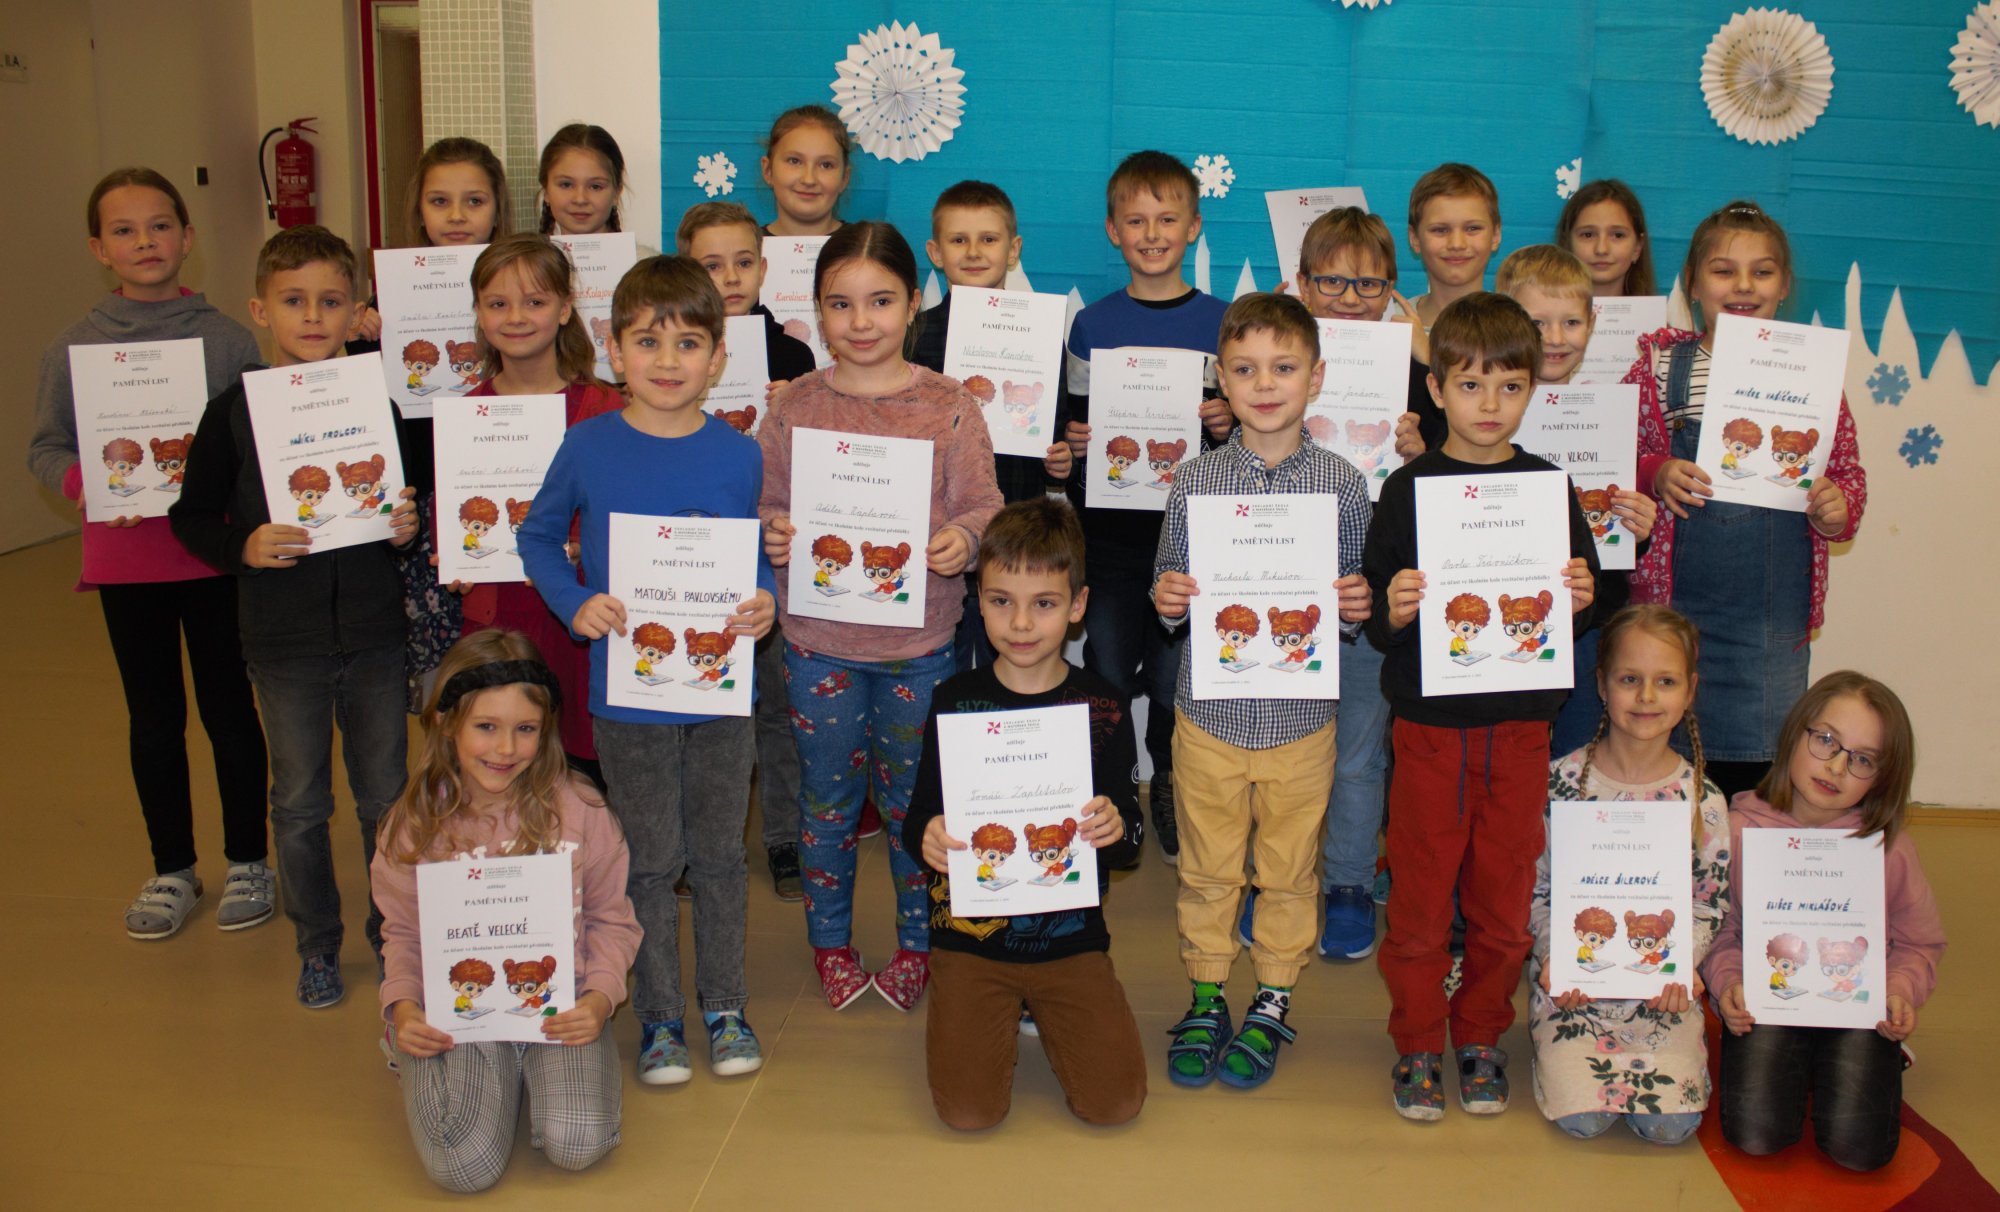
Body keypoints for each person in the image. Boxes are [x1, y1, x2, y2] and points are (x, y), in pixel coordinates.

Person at [518, 255, 777, 1085]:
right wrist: (575, 601)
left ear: (719, 357)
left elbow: (752, 559)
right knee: (652, 859)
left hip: (721, 697)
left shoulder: (739, 455)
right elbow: (536, 536)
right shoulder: (588, 446)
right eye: (648, 341)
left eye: (689, 343)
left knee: (721, 857)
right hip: (627, 700)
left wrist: (765, 602)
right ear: (613, 349)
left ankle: (725, 1006)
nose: (669, 361)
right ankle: (661, 1016)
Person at [169, 225, 420, 1008]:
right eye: (294, 301)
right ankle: (317, 943)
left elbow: (405, 507)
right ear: (260, 311)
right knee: (301, 804)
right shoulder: (231, 414)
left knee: (385, 800)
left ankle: (396, 939)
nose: (313, 317)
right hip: (284, 643)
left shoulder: (377, 407)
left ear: (356, 312)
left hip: (375, 635)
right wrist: (242, 545)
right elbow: (191, 516)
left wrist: (407, 527)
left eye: (331, 301)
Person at [758, 221, 1004, 1012]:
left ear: (912, 302)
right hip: (817, 644)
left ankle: (917, 945)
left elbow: (984, 506)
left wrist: (964, 540)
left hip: (920, 646)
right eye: (840, 304)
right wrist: (773, 530)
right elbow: (763, 501)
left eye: (881, 301)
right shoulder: (795, 406)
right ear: (817, 310)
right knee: (827, 805)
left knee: (913, 809)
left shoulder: (950, 405)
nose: (861, 321)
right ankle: (830, 943)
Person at [1364, 292, 1599, 1119]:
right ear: (1436, 389)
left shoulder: (1547, 487)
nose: (1489, 404)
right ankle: (1417, 1041)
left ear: (1532, 388)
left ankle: (1480, 1035)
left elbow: (1581, 606)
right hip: (1431, 730)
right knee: (1422, 899)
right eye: (1470, 385)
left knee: (1503, 899)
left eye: (1509, 386)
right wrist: (1396, 607)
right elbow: (1379, 622)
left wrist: (1580, 597)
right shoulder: (1405, 490)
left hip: (1521, 728)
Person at [26, 167, 271, 941]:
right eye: (124, 230)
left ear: (187, 236)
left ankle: (248, 860)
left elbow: (257, 440)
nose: (145, 242)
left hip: (211, 558)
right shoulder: (73, 346)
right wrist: (88, 484)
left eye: (160, 225)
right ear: (99, 248)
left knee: (230, 710)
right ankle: (172, 868)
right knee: (154, 717)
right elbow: (46, 446)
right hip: (127, 563)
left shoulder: (227, 339)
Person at [1151, 293, 1372, 1088]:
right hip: (1209, 718)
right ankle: (1208, 993)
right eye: (1245, 370)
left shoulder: (1345, 484)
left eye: (1284, 368)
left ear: (1317, 376)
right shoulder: (1194, 481)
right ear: (1221, 378)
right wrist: (1168, 598)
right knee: (1207, 868)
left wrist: (1356, 603)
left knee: (1287, 871)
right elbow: (1168, 585)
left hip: (1301, 722)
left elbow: (1352, 594)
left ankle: (1273, 996)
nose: (1265, 384)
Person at [904, 498, 1146, 1128]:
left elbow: (1131, 841)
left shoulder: (1104, 705)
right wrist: (928, 836)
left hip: (1070, 939)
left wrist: (1115, 827)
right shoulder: (954, 700)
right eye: (1000, 600)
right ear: (978, 601)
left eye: (1043, 603)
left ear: (1078, 605)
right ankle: (982, 1005)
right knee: (969, 1112)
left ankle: (1040, 1005)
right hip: (970, 938)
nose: (1020, 623)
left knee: (1116, 1104)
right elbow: (919, 815)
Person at [374, 631, 641, 1192]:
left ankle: (530, 1075)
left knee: (577, 1144)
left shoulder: (581, 808)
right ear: (446, 723)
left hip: (560, 1004)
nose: (505, 749)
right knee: (462, 1167)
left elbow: (611, 919)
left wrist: (598, 1000)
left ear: (546, 730)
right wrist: (404, 1009)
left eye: (525, 729)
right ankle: (442, 1065)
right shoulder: (413, 824)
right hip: (462, 1008)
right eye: (486, 727)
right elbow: (402, 933)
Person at [1624, 201, 1866, 799]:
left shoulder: (1812, 374)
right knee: (1664, 763)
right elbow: (1619, 454)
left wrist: (1836, 509)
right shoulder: (1658, 366)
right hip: (1673, 611)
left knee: (1758, 772)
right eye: (1723, 270)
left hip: (1768, 623)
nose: (1742, 285)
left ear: (1784, 286)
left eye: (1761, 272)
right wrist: (1656, 470)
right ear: (1692, 282)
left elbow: (1845, 472)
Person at [1061, 151, 1233, 863]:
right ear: (1113, 231)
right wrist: (1074, 445)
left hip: (1193, 540)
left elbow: (1252, 433)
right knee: (1106, 664)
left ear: (1193, 227)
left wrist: (1226, 425)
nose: (1152, 234)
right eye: (1135, 221)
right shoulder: (1091, 325)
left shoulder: (1225, 323)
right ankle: (1116, 787)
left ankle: (1165, 777)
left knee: (1171, 677)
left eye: (1167, 219)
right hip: (1109, 538)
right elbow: (1071, 431)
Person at [1703, 672, 1945, 1171]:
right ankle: (1811, 1062)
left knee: (1861, 1151)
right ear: (1796, 733)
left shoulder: (1888, 849)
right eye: (1826, 740)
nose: (1836, 766)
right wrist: (1730, 983)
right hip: (1772, 999)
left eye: (1863, 759)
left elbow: (1920, 943)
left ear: (1883, 777)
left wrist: (1897, 990)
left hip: (1856, 1007)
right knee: (1756, 1134)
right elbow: (1719, 928)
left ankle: (1870, 1058)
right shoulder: (1738, 830)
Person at [1529, 604, 1724, 1146]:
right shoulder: (1558, 784)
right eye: (1629, 679)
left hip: (1662, 995)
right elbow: (1535, 889)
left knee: (1671, 1127)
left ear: (1690, 691)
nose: (1646, 697)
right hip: (1575, 993)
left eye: (1666, 682)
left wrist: (1682, 965)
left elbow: (1709, 902)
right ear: (1601, 684)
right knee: (1581, 1120)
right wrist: (1555, 956)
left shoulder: (1704, 800)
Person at [676, 199, 819, 900]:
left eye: (742, 262)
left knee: (777, 706)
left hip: (772, 553)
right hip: (691, 553)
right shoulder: (673, 350)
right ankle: (699, 845)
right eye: (711, 265)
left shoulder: (793, 355)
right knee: (701, 705)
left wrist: (793, 407)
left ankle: (785, 837)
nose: (729, 278)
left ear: (764, 269)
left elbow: (819, 459)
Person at [454, 233, 624, 784]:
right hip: (499, 613)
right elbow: (454, 518)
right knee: (507, 765)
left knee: (587, 763)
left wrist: (583, 545)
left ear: (565, 308)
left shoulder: (605, 407)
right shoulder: (464, 415)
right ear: (479, 313)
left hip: (582, 615)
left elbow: (630, 510)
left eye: (535, 301)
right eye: (497, 303)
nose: (516, 317)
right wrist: (456, 559)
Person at [1494, 244, 1657, 756]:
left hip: (1591, 623)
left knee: (1579, 755)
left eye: (1570, 322)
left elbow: (1618, 540)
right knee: (1512, 758)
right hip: (1507, 618)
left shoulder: (1610, 416)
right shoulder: (1482, 418)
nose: (1555, 338)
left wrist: (1639, 530)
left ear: (1593, 322)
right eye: (1536, 323)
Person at [909, 179, 1074, 670]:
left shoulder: (1044, 333)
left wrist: (1061, 461)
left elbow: (1057, 428)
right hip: (943, 536)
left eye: (989, 239)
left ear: (1013, 249)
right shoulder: (914, 335)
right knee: (948, 665)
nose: (974, 251)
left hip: (1019, 526)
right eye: (959, 240)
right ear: (935, 252)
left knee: (1018, 660)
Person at [1405, 163, 1503, 330]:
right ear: (1414, 239)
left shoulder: (1519, 325)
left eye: (1472, 228)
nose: (1457, 244)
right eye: (1440, 230)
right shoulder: (1390, 325)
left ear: (1495, 235)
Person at [760, 104, 852, 236]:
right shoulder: (747, 246)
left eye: (826, 165)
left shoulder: (866, 245)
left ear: (844, 178)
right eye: (794, 161)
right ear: (768, 170)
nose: (809, 180)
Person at [1555, 179, 1656, 299]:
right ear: (1567, 243)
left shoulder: (1654, 312)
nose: (1601, 249)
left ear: (1637, 248)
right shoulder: (1539, 310)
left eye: (1618, 235)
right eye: (1588, 235)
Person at [537, 123, 627, 237]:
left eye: (595, 187)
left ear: (616, 193)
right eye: (566, 185)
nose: (580, 199)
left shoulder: (638, 250)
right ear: (546, 191)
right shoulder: (522, 249)